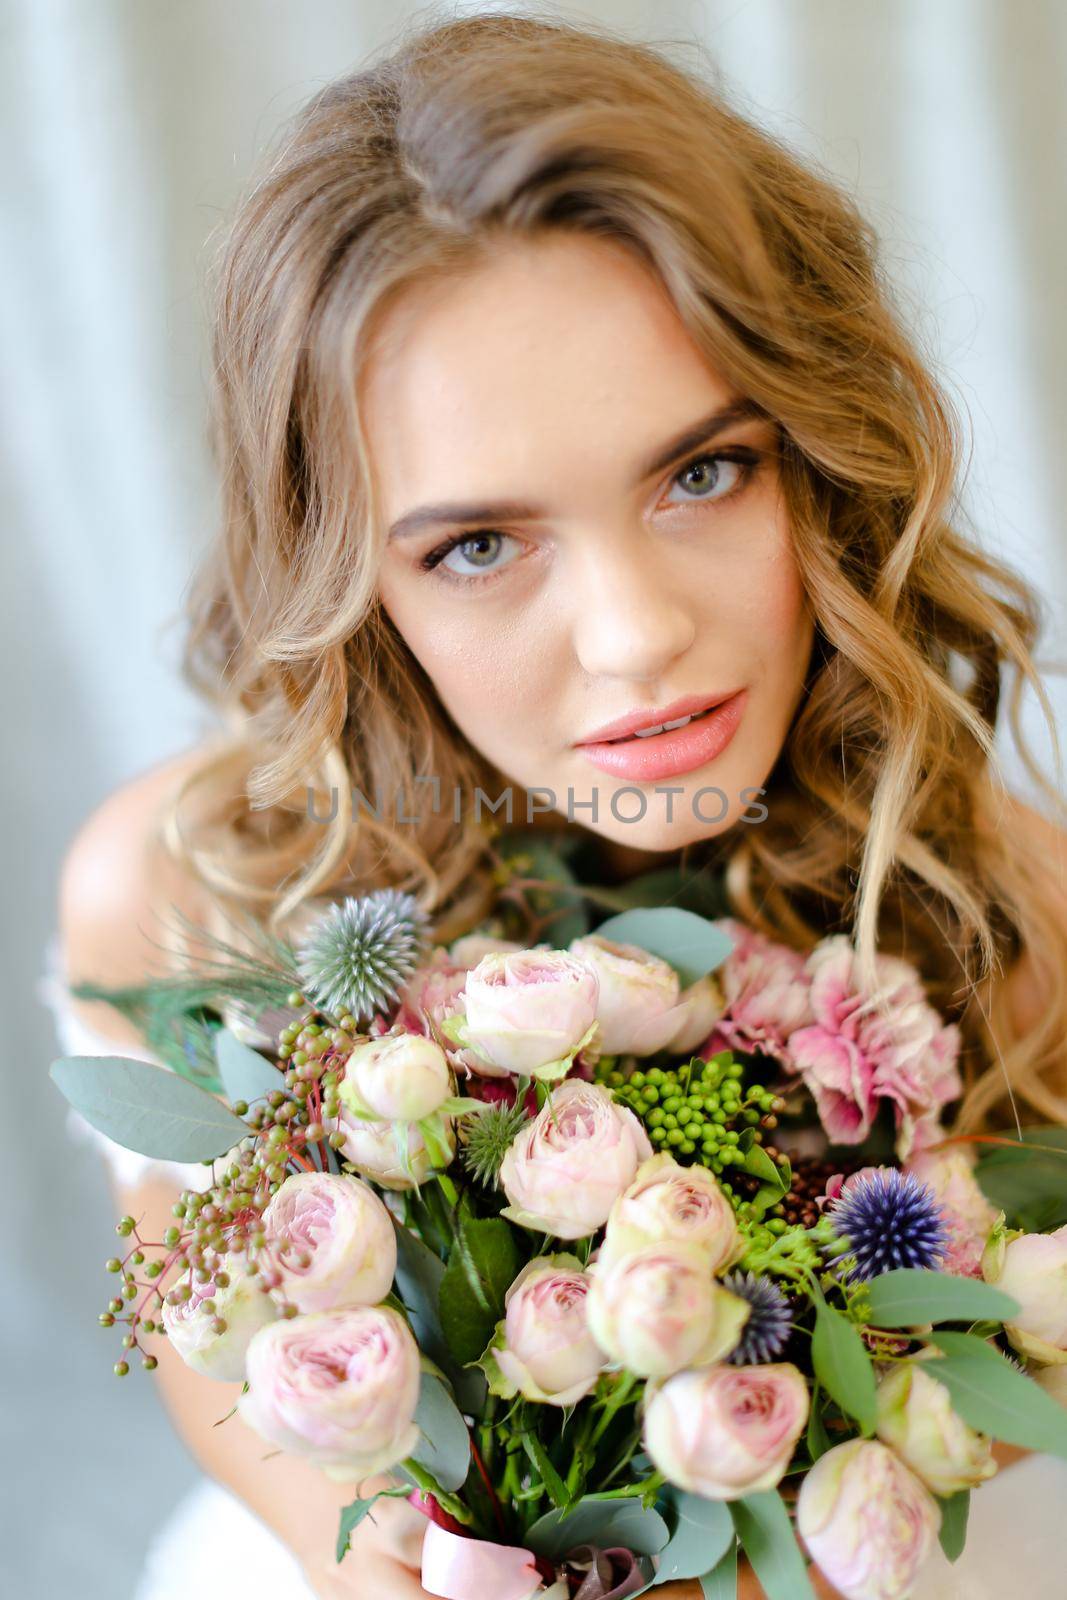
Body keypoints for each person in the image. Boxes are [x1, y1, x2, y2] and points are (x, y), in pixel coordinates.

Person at [49, 12, 1067, 1599]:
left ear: (820, 453)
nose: (637, 635)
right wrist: (366, 1550)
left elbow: (1022, 1392)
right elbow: (201, 1334)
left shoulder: (1006, 915)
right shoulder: (190, 888)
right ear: (350, 576)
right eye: (477, 546)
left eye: (705, 474)